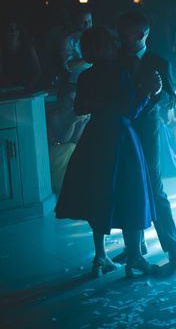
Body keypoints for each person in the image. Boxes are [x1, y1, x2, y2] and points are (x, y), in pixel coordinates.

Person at [55, 27, 158, 278]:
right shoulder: (119, 72)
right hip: (121, 137)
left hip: (95, 137)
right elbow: (129, 111)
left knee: (98, 193)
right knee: (131, 193)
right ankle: (134, 255)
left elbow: (79, 108)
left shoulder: (86, 77)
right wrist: (148, 92)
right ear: (106, 47)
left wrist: (98, 106)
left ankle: (100, 256)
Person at [116, 10, 176, 270]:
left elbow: (170, 98)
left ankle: (172, 246)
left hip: (147, 129)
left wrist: (154, 94)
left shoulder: (158, 61)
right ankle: (134, 247)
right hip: (121, 129)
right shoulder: (117, 60)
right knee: (127, 186)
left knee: (155, 186)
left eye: (125, 35)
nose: (121, 40)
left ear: (141, 35)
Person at [0, 19, 42, 91]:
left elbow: (38, 71)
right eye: (10, 30)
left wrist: (29, 87)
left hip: (30, 91)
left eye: (15, 29)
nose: (13, 32)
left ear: (19, 32)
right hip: (9, 92)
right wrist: (11, 89)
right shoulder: (2, 52)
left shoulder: (28, 48)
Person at [60, 7, 93, 86]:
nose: (87, 24)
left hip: (97, 80)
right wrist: (88, 58)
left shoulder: (98, 36)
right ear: (77, 23)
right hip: (77, 82)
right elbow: (69, 66)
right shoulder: (69, 40)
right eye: (83, 22)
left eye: (89, 21)